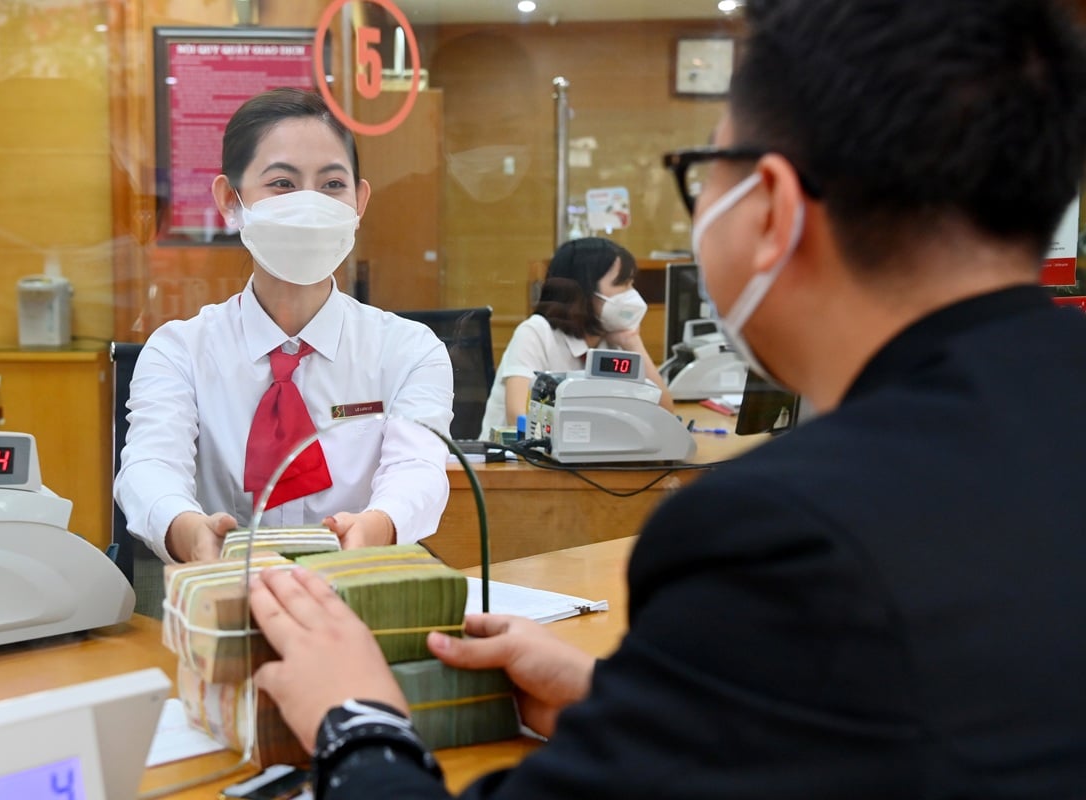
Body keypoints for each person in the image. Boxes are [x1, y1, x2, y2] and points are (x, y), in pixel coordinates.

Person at [247, 0, 1086, 797]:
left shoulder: (775, 535)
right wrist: (637, 700)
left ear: (773, 208)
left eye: (702, 173)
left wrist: (355, 715)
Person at [114, 88, 454, 564]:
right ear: (230, 201)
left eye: (333, 184)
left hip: (357, 593)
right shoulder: (179, 351)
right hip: (222, 597)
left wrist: (376, 526)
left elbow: (419, 469)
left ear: (359, 200)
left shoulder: (409, 351)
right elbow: (150, 467)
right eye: (282, 184)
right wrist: (189, 531)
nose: (310, 204)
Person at [477, 237, 674, 439]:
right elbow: (518, 417)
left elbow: (665, 413)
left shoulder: (611, 338)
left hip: (585, 461)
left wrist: (632, 341)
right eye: (622, 284)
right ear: (585, 290)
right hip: (514, 465)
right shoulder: (536, 333)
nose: (631, 294)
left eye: (631, 284)